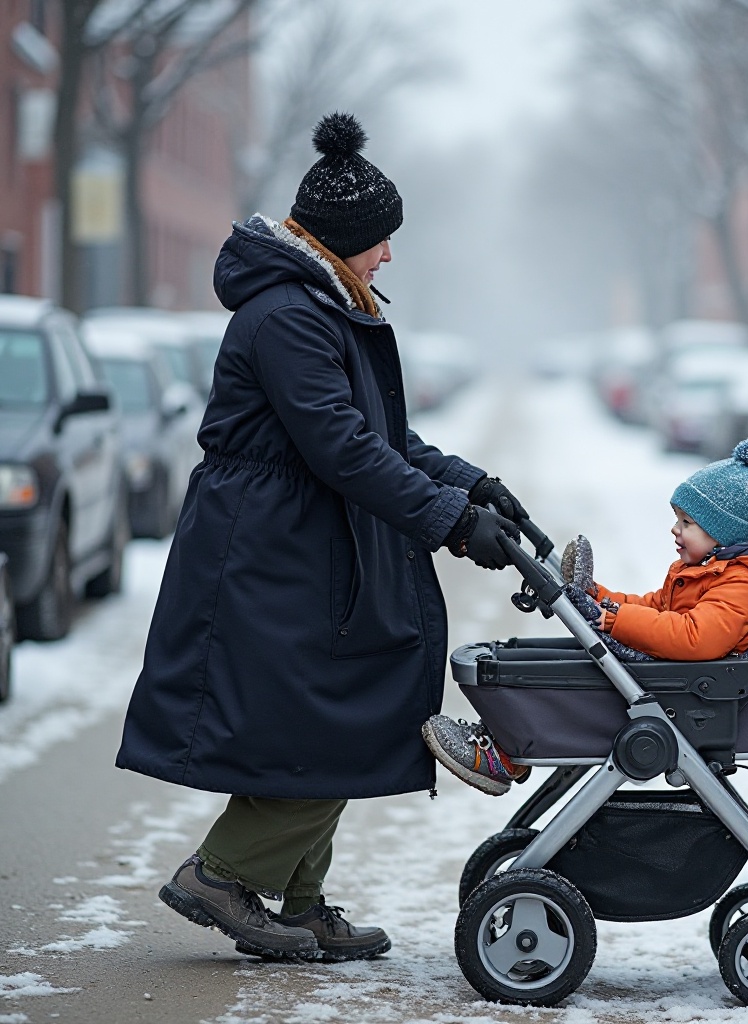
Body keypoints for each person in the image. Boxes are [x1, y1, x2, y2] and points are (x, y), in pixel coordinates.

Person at [114, 112, 529, 962]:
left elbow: (381, 436)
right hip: (268, 552)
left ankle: (299, 900)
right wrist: (453, 523)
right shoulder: (289, 319)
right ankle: (222, 875)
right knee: (327, 721)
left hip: (307, 545)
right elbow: (341, 448)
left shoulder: (327, 305)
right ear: (341, 242)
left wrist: (469, 483)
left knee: (342, 715)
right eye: (380, 240)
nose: (388, 255)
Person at [422, 438, 748, 796]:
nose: (675, 529)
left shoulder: (741, 586)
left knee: (577, 683)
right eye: (677, 519)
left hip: (689, 688)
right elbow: (656, 606)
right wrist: (600, 598)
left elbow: (695, 637)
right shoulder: (708, 569)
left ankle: (503, 754)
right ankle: (505, 739)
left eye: (687, 523)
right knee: (569, 661)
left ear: (724, 534)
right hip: (674, 675)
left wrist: (614, 621)